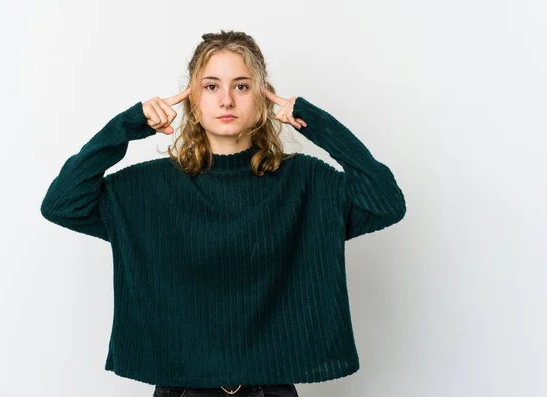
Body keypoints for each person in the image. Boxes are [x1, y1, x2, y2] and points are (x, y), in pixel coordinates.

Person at [40, 30, 406, 397]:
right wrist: (126, 126)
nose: (227, 100)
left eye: (242, 86)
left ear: (263, 97)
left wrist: (317, 123)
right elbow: (63, 203)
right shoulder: (145, 188)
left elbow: (386, 202)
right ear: (192, 100)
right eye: (211, 86)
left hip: (270, 388)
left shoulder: (306, 182)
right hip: (180, 388)